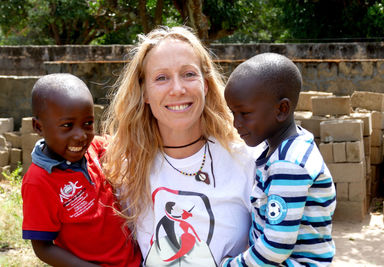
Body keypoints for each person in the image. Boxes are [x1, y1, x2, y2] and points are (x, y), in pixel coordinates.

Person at [102, 26, 258, 266]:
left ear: (205, 85)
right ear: (144, 92)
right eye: (161, 78)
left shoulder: (248, 159)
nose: (177, 89)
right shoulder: (125, 170)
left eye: (188, 74)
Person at [222, 53, 336, 266]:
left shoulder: (288, 165)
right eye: (233, 112)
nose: (236, 123)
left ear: (282, 110)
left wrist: (232, 265)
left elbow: (276, 246)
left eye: (245, 113)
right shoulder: (283, 148)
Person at [21, 73, 141, 267]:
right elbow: (43, 248)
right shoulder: (38, 181)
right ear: (38, 127)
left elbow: (123, 146)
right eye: (67, 126)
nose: (80, 136)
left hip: (134, 260)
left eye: (88, 124)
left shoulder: (93, 148)